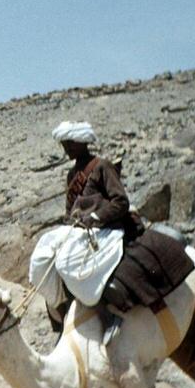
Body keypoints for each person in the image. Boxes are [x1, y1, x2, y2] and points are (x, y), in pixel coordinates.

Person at [53, 120, 134, 342]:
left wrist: (96, 217)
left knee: (79, 266)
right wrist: (68, 221)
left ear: (82, 143)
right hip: (81, 231)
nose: (66, 149)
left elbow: (121, 202)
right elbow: (71, 210)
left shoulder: (102, 166)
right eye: (64, 144)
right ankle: (63, 323)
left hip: (106, 229)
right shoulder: (72, 175)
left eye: (69, 143)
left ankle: (109, 318)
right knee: (51, 262)